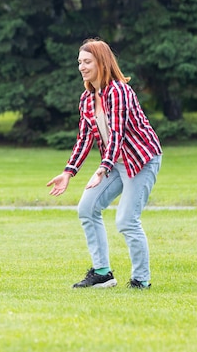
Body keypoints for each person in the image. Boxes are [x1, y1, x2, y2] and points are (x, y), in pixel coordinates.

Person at [46, 39, 162, 290]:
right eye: (79, 62)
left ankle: (141, 280)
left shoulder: (119, 91)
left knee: (127, 220)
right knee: (86, 208)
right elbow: (84, 138)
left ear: (102, 62)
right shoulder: (87, 98)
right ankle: (102, 273)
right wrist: (69, 172)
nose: (81, 67)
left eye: (87, 62)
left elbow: (118, 134)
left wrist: (102, 169)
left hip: (141, 160)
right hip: (115, 162)